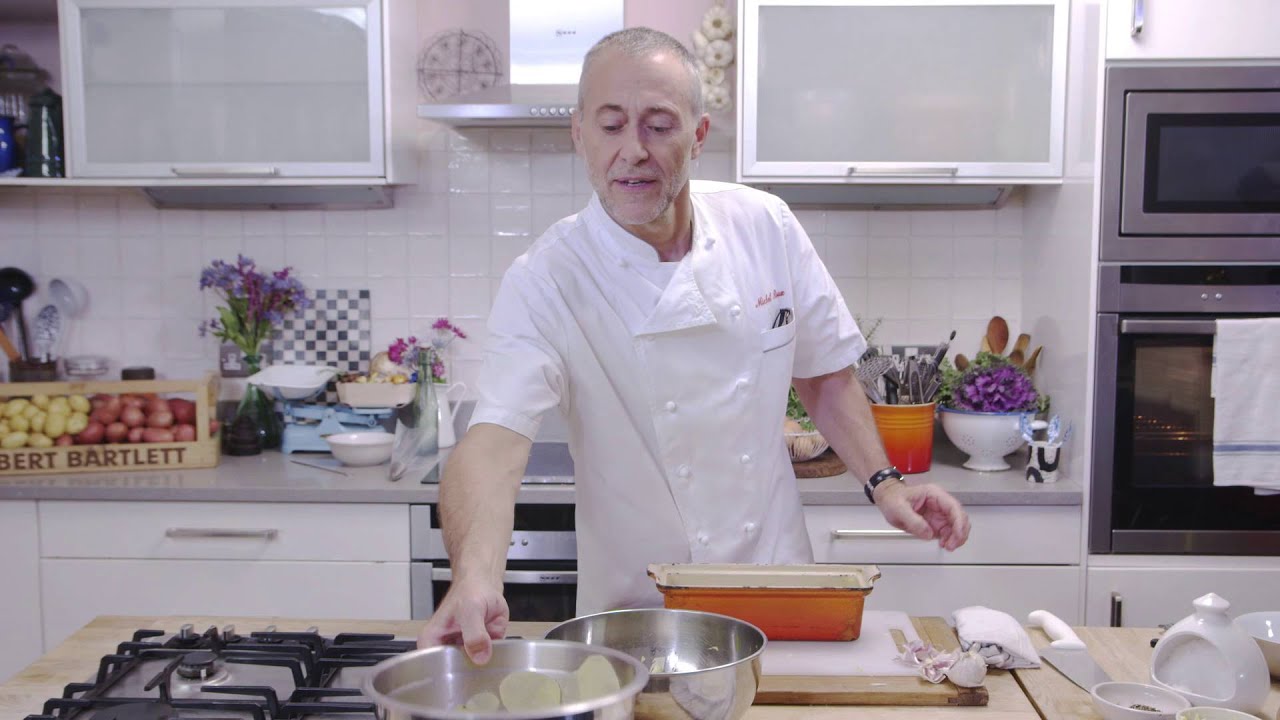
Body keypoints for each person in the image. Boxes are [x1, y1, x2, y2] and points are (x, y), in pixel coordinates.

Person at [419, 27, 971, 662]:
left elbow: (824, 375)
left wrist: (886, 485)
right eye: (610, 125)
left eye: (659, 126)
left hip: (775, 586)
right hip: (638, 615)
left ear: (699, 135)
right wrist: (475, 576)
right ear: (579, 133)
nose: (633, 150)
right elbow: (494, 442)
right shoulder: (547, 278)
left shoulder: (764, 226)